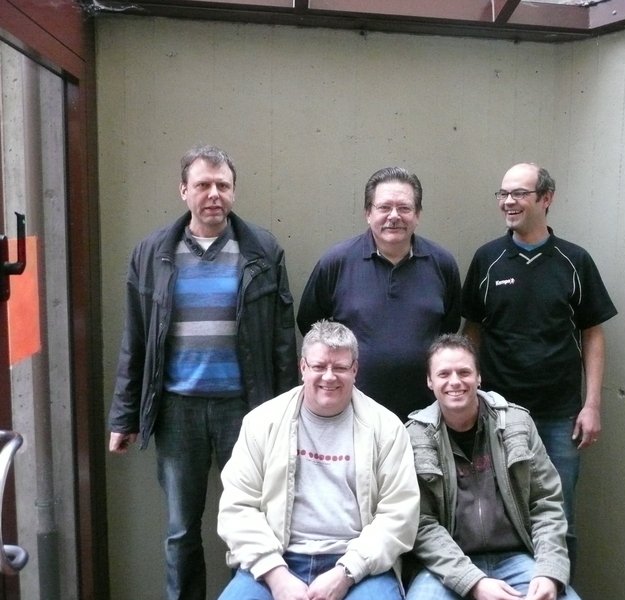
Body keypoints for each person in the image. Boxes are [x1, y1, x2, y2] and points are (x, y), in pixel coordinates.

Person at [107, 144, 298, 600]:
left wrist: (291, 413)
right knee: (180, 530)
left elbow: (282, 339)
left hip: (245, 411)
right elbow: (136, 340)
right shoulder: (152, 253)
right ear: (184, 191)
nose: (214, 194)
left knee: (252, 524)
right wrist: (124, 417)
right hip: (177, 411)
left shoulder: (262, 250)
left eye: (222, 185)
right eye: (203, 185)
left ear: (234, 191)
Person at [461, 162, 617, 573]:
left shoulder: (574, 261)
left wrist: (592, 405)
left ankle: (557, 590)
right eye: (503, 194)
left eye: (519, 193)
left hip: (558, 418)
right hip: (496, 417)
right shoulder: (488, 259)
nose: (508, 202)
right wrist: (469, 399)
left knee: (559, 522)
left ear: (546, 199)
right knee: (492, 521)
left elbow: (593, 334)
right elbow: (471, 332)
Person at [217, 320, 420, 600]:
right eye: (319, 366)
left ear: (355, 370)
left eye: (340, 368)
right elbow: (238, 507)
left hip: (358, 563)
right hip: (277, 557)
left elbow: (399, 515)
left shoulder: (387, 428)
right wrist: (276, 576)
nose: (329, 376)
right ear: (302, 367)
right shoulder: (261, 422)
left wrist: (346, 573)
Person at [406, 334, 581, 600]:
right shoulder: (414, 437)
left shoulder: (516, 423)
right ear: (430, 381)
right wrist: (472, 581)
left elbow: (546, 503)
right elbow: (421, 523)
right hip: (447, 565)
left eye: (464, 372)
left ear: (478, 377)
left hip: (516, 557)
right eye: (443, 374)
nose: (455, 381)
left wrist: (548, 571)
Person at [296, 166, 461, 419]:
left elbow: (448, 329)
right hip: (352, 412)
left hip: (425, 413)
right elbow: (310, 326)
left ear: (417, 214)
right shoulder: (336, 262)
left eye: (404, 208)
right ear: (368, 213)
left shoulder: (443, 264)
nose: (394, 216)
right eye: (384, 207)